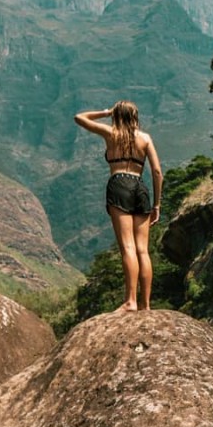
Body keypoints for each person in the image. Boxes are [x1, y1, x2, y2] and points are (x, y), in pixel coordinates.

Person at [74, 100, 163, 312]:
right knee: (143, 249)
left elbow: (79, 118)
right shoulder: (145, 138)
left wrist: (106, 112)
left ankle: (130, 300)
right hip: (140, 187)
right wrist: (157, 205)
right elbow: (158, 172)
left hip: (119, 185)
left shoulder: (110, 133)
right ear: (135, 117)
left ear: (117, 116)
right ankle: (146, 305)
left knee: (128, 247)